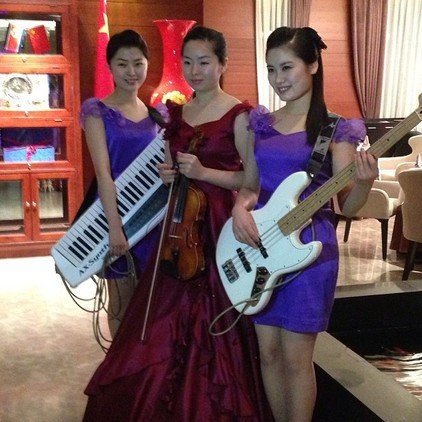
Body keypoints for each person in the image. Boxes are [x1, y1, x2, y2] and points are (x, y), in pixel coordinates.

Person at [82, 26, 273, 421]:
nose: (195, 71)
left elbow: (251, 181)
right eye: (187, 62)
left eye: (204, 62)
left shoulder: (240, 115)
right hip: (177, 227)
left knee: (217, 315)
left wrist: (204, 172)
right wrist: (171, 175)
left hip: (219, 226)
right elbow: (167, 168)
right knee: (158, 317)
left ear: (222, 64)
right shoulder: (177, 112)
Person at [231, 27, 379, 421]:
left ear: (312, 65)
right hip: (261, 247)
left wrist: (365, 182)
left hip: (311, 252)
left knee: (296, 359)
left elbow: (348, 205)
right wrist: (240, 208)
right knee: (268, 353)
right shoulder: (261, 124)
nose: (278, 79)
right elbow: (251, 185)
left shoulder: (336, 130)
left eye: (287, 67)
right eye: (271, 69)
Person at [78, 29, 164, 338]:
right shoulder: (97, 112)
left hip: (151, 219)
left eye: (138, 63)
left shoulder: (158, 115)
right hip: (114, 216)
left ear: (147, 64)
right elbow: (103, 174)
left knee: (150, 301)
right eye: (122, 64)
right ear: (110, 67)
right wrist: (115, 227)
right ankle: (118, 365)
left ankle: (142, 363)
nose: (131, 72)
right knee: (120, 302)